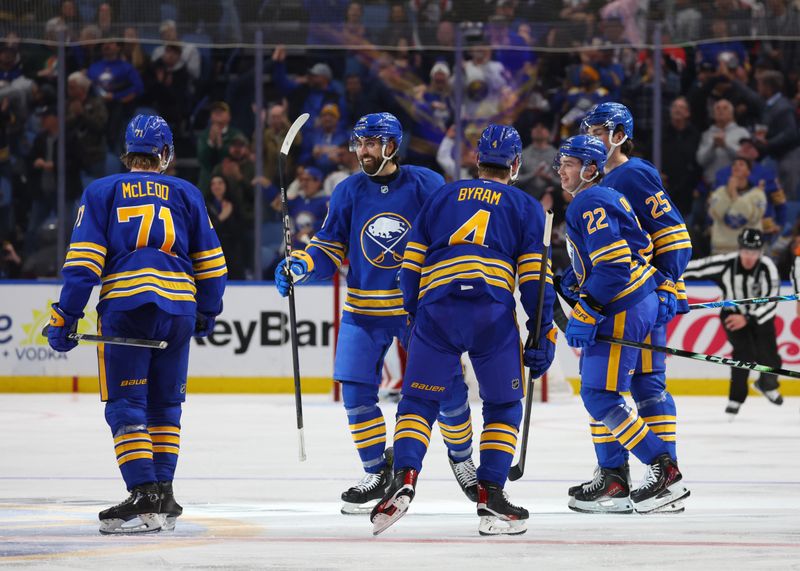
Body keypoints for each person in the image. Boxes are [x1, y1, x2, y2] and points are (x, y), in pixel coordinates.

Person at [273, 112, 477, 514]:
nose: (363, 151)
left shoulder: (426, 183)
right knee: (355, 391)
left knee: (449, 386)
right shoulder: (348, 190)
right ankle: (375, 471)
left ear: (391, 145)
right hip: (363, 308)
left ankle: (463, 459)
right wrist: (303, 264)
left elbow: (448, 239)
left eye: (371, 143)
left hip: (416, 310)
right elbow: (329, 245)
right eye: (360, 143)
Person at [370, 124, 556, 537]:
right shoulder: (525, 206)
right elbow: (535, 284)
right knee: (503, 406)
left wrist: (417, 313)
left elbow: (409, 267)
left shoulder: (441, 196)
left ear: (476, 161)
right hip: (490, 313)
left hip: (437, 306)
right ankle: (491, 494)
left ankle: (404, 478)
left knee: (417, 402)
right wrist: (541, 334)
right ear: (516, 164)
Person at [46, 114, 227, 534]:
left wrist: (66, 316)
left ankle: (143, 491)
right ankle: (163, 493)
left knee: (127, 407)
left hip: (127, 309)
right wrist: (206, 311)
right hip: (178, 310)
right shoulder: (187, 192)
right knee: (166, 407)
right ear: (164, 154)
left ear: (126, 152)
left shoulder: (102, 191)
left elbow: (84, 264)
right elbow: (214, 267)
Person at [556, 134, 690, 515]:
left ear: (591, 168)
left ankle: (662, 470)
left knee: (601, 394)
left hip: (622, 305)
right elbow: (636, 246)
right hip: (637, 297)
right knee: (607, 390)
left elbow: (617, 264)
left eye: (568, 163)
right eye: (561, 163)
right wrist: (576, 277)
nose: (560, 170)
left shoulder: (594, 198)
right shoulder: (605, 196)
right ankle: (618, 478)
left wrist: (588, 309)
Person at [684, 229, 783, 418]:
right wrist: (666, 270)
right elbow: (696, 267)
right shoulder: (726, 263)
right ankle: (736, 399)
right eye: (746, 251)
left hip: (761, 316)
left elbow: (772, 300)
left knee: (770, 358)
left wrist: (748, 318)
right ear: (740, 249)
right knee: (743, 355)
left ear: (761, 251)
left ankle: (767, 385)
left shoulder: (767, 267)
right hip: (732, 315)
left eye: (754, 252)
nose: (749, 257)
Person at [708, 157, 767, 254]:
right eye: (734, 164)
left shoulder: (758, 195)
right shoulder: (719, 192)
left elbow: (752, 217)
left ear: (748, 172)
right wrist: (728, 194)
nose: (736, 166)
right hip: (721, 249)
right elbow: (715, 214)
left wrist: (734, 195)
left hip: (749, 250)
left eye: (741, 164)